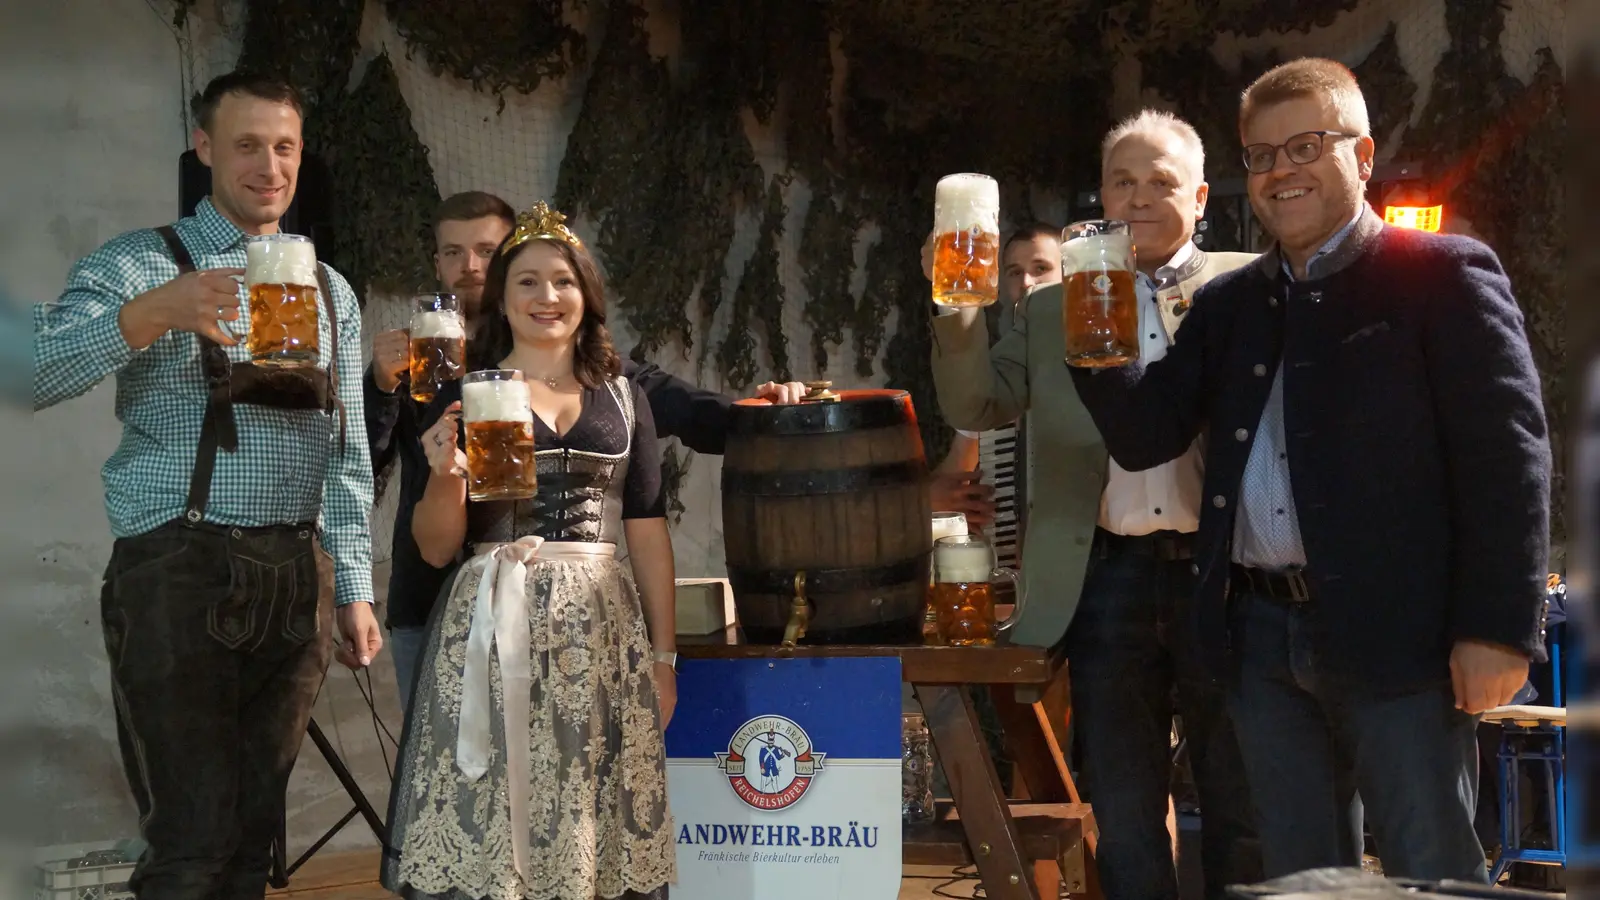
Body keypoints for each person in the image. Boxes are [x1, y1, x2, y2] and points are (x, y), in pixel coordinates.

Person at [1068, 58, 1549, 883]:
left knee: (1427, 867)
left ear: (1362, 159)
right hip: (1259, 640)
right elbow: (1144, 436)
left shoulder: (1443, 274)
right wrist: (1094, 324)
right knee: (1297, 877)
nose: (1280, 170)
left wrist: (1498, 627)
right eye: (1260, 154)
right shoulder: (1231, 304)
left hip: (1403, 637)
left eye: (1305, 146)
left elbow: (1507, 459)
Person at [33, 72, 380, 899]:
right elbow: (35, 369)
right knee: (188, 843)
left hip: (296, 578)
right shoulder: (141, 261)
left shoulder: (330, 290)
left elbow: (348, 455)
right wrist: (157, 311)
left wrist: (355, 586)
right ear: (205, 148)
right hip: (180, 571)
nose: (269, 165)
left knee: (250, 844)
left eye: (285, 146)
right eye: (248, 145)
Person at [365, 191, 804, 710]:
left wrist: (759, 417)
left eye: (487, 250)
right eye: (454, 253)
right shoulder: (432, 370)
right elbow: (364, 464)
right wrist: (379, 387)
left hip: (591, 615)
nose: (471, 266)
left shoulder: (609, 381)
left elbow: (675, 423)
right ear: (437, 262)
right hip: (445, 600)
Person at [381, 203, 676, 900]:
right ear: (502, 301)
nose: (548, 298)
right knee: (494, 804)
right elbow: (434, 546)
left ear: (587, 295)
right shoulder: (465, 394)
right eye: (528, 283)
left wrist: (663, 657)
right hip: (490, 619)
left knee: (590, 801)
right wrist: (447, 479)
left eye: (563, 282)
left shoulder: (626, 398)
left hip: (600, 631)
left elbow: (648, 534)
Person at [932, 223, 1063, 532]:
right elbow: (957, 473)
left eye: (1041, 268)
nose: (1027, 282)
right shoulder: (994, 372)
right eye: (1015, 272)